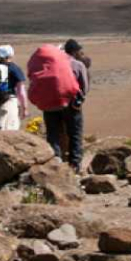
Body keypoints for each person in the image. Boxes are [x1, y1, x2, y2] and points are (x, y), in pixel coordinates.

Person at [44, 39, 89, 171]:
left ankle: (55, 162)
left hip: (51, 104)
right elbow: (84, 87)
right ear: (74, 51)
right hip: (71, 105)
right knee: (75, 133)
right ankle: (75, 164)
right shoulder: (77, 65)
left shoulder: (50, 65)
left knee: (53, 133)